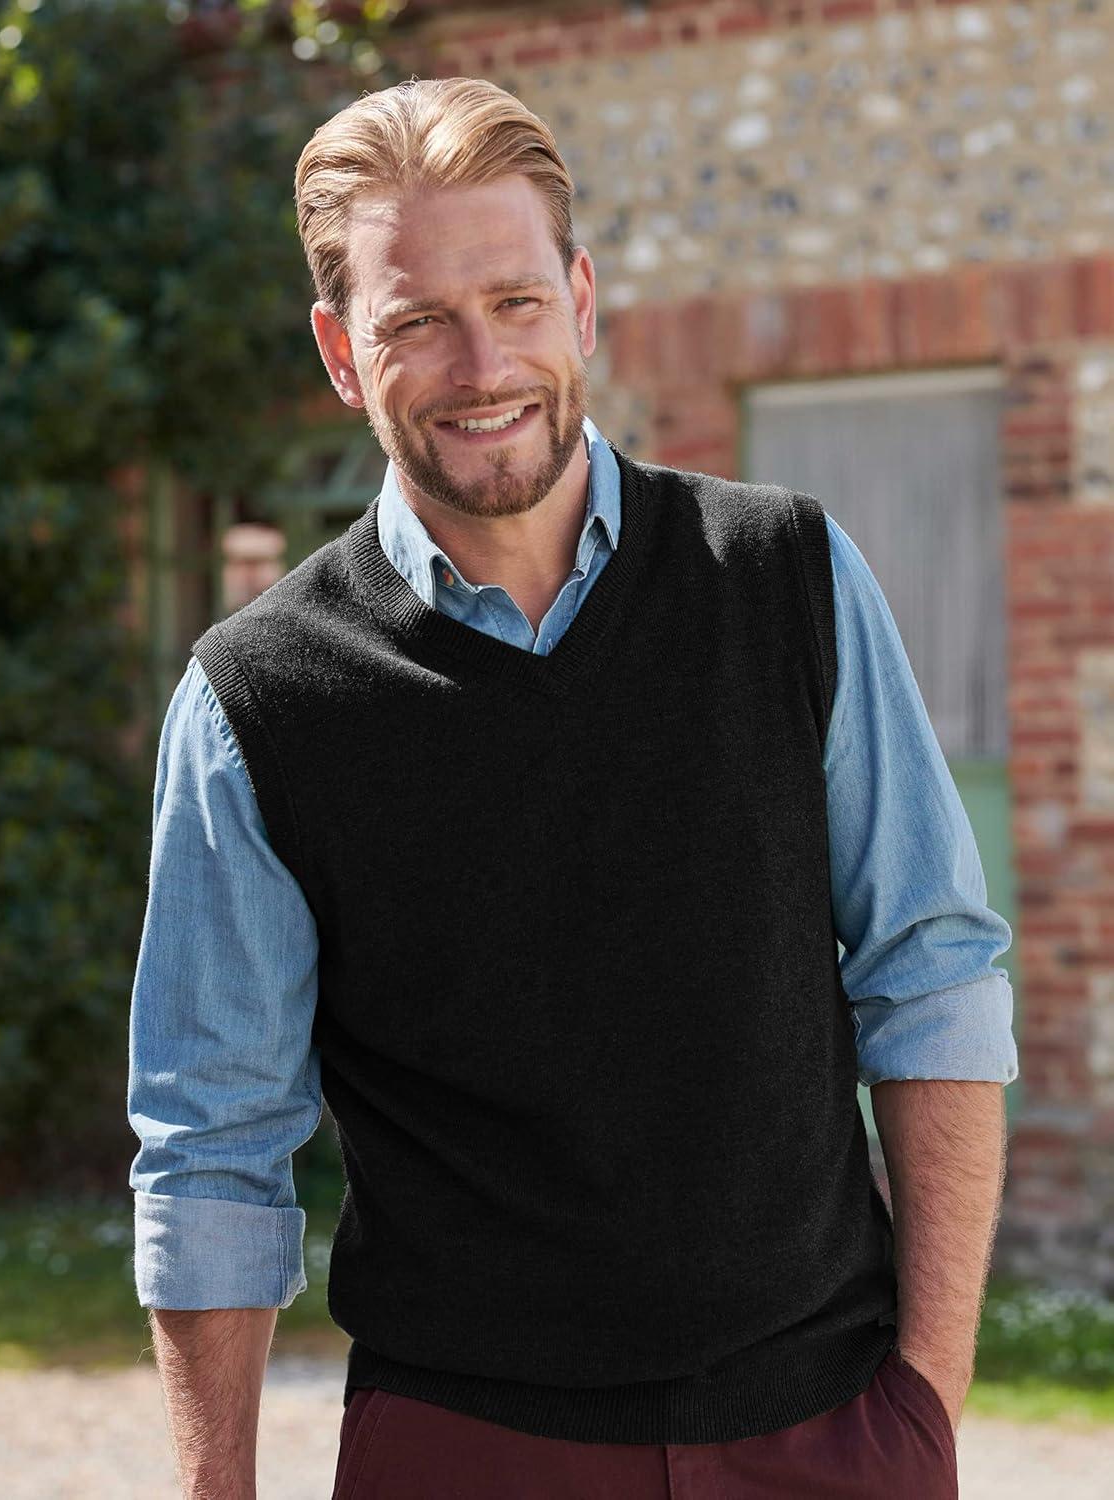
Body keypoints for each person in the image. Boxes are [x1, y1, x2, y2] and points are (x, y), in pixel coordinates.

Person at [127, 76, 1018, 1500]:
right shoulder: (258, 702)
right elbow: (211, 1146)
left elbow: (933, 973)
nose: (483, 364)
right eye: (417, 321)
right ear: (342, 354)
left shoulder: (786, 577)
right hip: (461, 1451)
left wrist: (925, 1397)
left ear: (581, 302)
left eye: (516, 302)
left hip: (825, 1434)